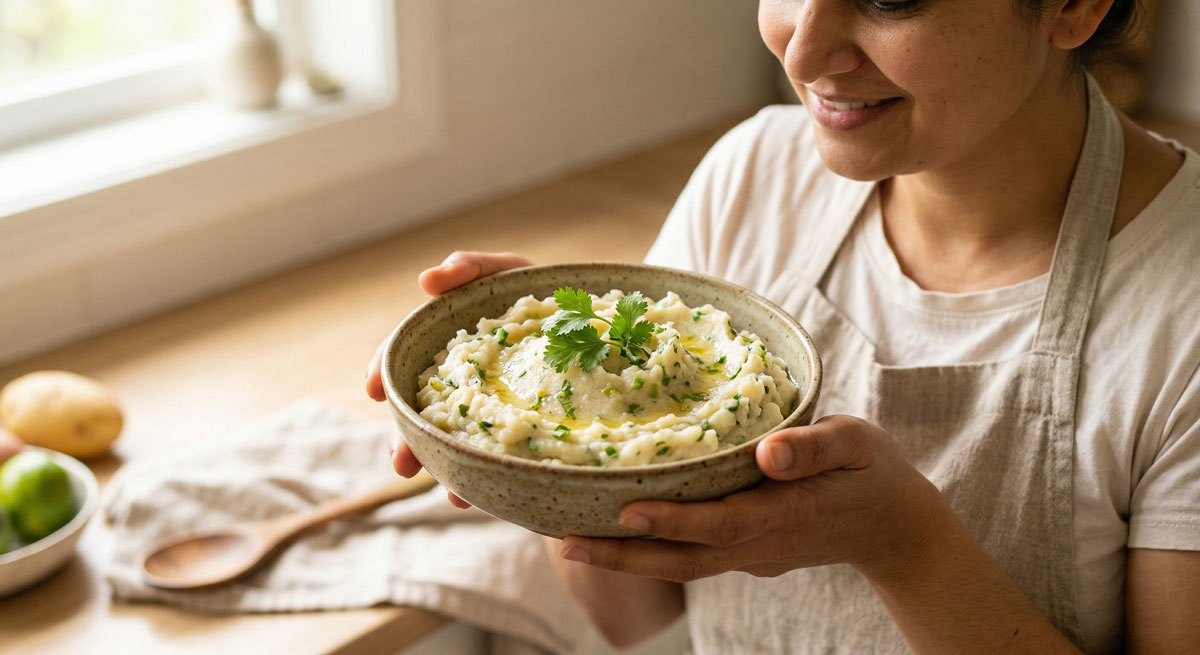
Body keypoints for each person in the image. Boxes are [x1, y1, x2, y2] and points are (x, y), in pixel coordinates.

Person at [365, 0, 1200, 651]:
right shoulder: (755, 172)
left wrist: (904, 544)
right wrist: (555, 423)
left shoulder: (1180, 311)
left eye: (888, 0)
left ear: (1075, 6)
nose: (800, 50)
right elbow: (632, 617)